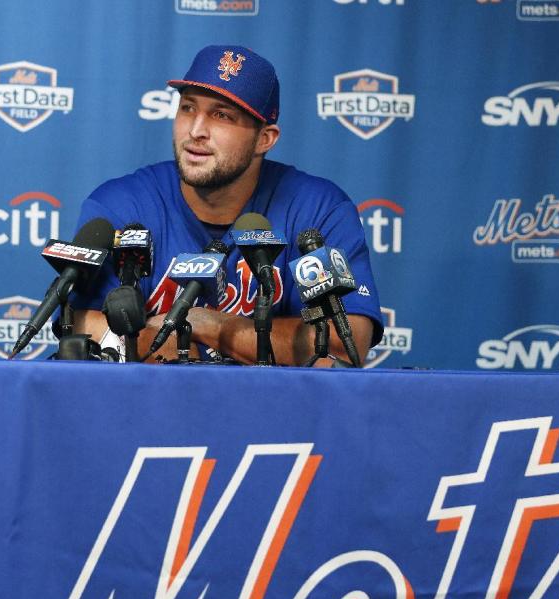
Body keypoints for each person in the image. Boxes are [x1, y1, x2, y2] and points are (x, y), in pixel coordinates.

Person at [65, 44, 383, 366]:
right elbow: (79, 325)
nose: (196, 130)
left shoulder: (318, 209)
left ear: (265, 138)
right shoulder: (120, 205)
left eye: (221, 115)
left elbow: (348, 341)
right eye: (188, 108)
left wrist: (215, 327)